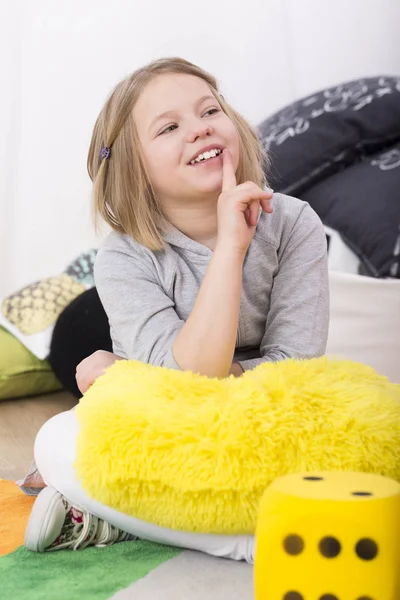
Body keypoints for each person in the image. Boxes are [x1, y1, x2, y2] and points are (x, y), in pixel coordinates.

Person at [24, 57, 329, 562]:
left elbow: (297, 365)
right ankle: (248, 542)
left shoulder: (293, 223)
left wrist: (131, 373)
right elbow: (186, 379)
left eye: (210, 110)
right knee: (55, 440)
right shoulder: (123, 256)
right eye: (169, 126)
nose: (200, 127)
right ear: (133, 170)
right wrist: (230, 249)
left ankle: (112, 516)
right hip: (165, 419)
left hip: (263, 417)